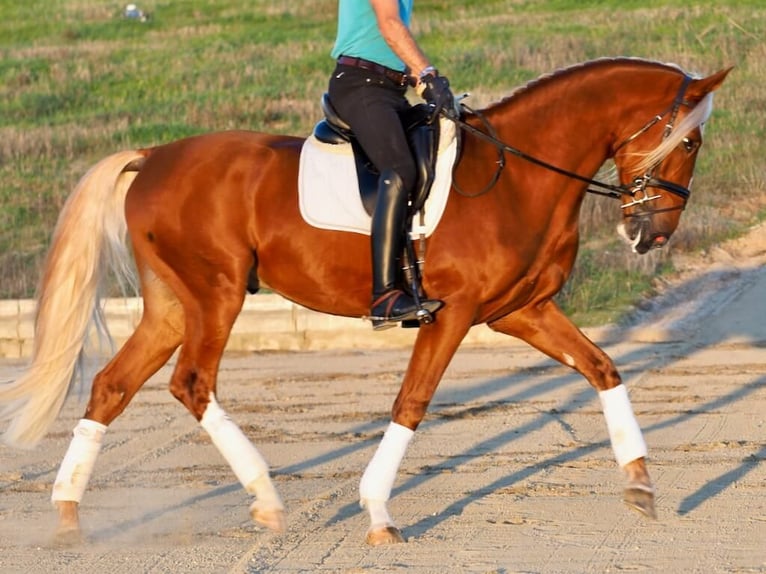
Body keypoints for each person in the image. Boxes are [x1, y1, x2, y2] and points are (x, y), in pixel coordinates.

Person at [327, 0, 456, 330]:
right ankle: (384, 296)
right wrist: (427, 75)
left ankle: (414, 275)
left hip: (391, 89)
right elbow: (390, 26)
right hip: (360, 85)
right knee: (400, 170)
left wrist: (424, 84)